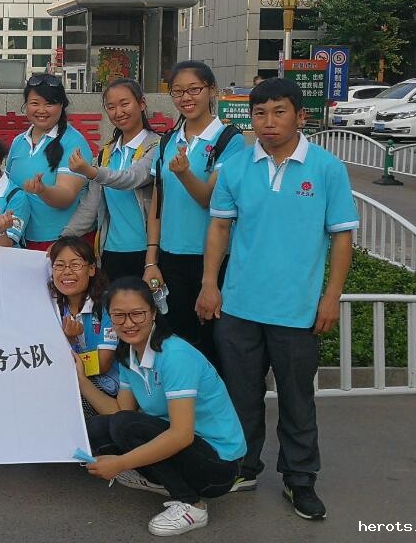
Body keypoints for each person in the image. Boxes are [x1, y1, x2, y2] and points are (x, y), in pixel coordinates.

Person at [199, 78, 358, 520]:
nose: (268, 122)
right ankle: (244, 467)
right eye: (260, 113)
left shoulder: (326, 169)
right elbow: (219, 227)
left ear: (300, 116)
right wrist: (210, 284)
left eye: (279, 112)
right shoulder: (236, 167)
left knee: (296, 399)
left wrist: (331, 296)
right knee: (241, 395)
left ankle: (299, 479)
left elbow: (342, 237)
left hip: (297, 310)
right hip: (239, 307)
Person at [79, 277, 246, 537]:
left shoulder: (175, 356)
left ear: (154, 313)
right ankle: (161, 480)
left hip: (219, 465)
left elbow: (181, 435)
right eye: (119, 315)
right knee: (98, 428)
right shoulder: (129, 354)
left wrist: (121, 463)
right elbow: (119, 412)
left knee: (127, 425)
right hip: (188, 450)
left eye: (137, 314)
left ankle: (192, 505)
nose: (128, 323)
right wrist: (79, 379)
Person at [142, 61, 245, 365]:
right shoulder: (168, 141)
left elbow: (210, 200)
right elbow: (157, 205)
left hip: (211, 261)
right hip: (171, 259)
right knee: (175, 344)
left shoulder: (229, 140)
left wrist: (185, 174)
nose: (186, 98)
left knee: (211, 346)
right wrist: (152, 261)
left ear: (212, 90)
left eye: (194, 89)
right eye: (177, 92)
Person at [62, 78, 159, 281]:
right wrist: (64, 239)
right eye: (111, 107)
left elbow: (133, 178)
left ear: (142, 104)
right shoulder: (106, 153)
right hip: (111, 253)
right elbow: (90, 206)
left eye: (125, 104)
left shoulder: (158, 146)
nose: (118, 112)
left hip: (150, 254)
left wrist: (91, 172)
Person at [5, 73, 93, 250]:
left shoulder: (73, 142)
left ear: (62, 105)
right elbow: (7, 189)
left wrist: (42, 190)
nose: (41, 110)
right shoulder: (18, 142)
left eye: (49, 104)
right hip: (21, 240)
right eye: (35, 103)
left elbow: (66, 196)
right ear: (26, 105)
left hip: (63, 243)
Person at [47, 237, 117, 409]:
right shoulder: (51, 305)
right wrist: (68, 341)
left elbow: (103, 363)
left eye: (75, 265)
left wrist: (70, 343)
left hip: (107, 384)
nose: (67, 272)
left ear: (91, 269)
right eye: (59, 265)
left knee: (63, 405)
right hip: (65, 380)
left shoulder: (108, 305)